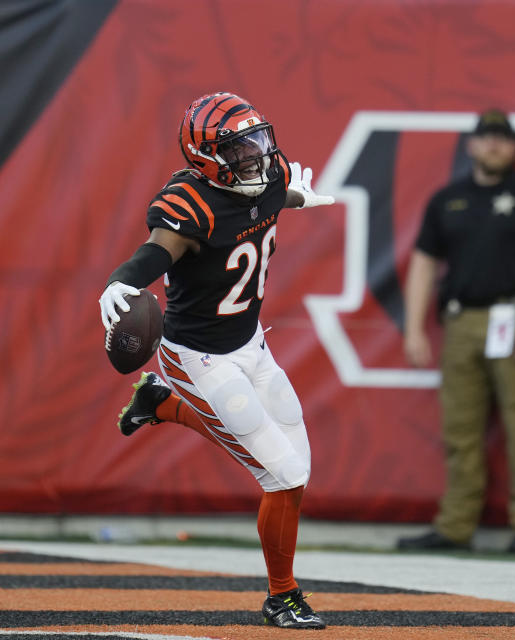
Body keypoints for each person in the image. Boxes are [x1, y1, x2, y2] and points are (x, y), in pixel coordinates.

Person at [98, 92, 334, 628]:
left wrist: (293, 196)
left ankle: (158, 405)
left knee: (297, 463)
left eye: (257, 140)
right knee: (284, 477)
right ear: (206, 157)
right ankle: (283, 595)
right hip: (199, 358)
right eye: (239, 147)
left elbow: (264, 201)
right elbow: (158, 251)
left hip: (253, 344)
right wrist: (123, 281)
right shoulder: (188, 204)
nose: (257, 154)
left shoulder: (268, 179)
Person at [396, 109, 515, 554]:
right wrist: (414, 328)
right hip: (460, 324)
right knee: (460, 429)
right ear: (470, 144)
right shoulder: (447, 200)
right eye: (486, 137)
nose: (494, 144)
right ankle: (456, 524)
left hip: (514, 324)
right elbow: (422, 265)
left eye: (503, 138)